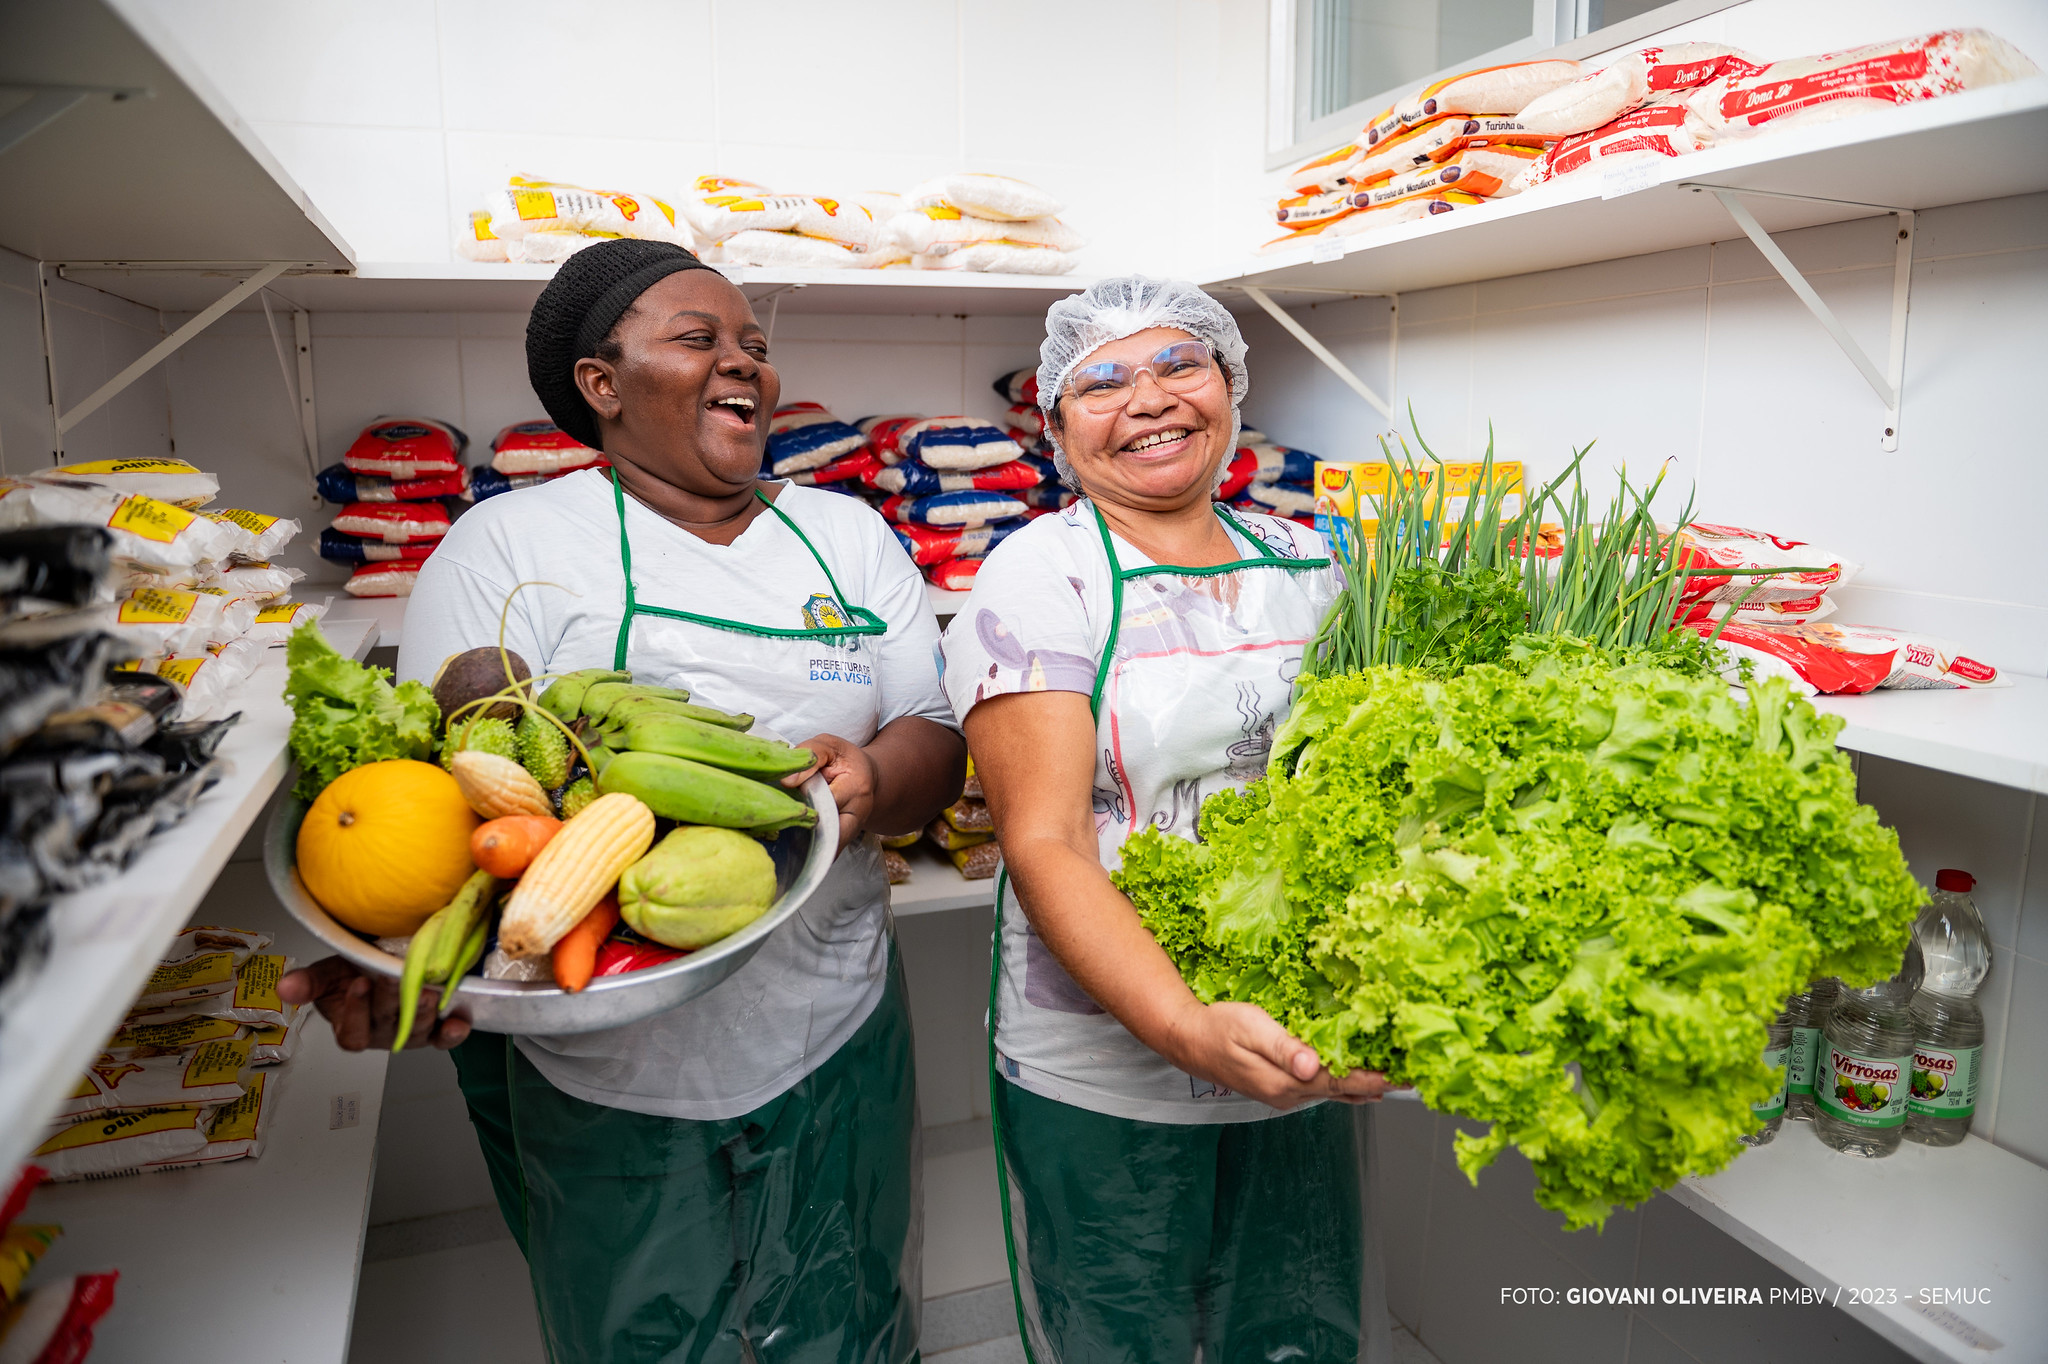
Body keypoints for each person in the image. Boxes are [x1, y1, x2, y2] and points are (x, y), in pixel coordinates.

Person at [281, 239, 965, 1362]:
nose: (742, 362)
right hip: (596, 1060)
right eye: (698, 339)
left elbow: (930, 733)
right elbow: (439, 795)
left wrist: (876, 775)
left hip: (832, 1023)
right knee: (641, 1338)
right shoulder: (510, 544)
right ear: (600, 384)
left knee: (852, 1324)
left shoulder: (843, 533)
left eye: (753, 343)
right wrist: (386, 947)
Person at [942, 276, 1392, 1362]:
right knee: (1118, 1340)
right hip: (1103, 1063)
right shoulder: (1040, 576)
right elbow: (1042, 840)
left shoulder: (1311, 560)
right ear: (1055, 426)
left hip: (1292, 1035)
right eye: (1100, 381)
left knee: (1294, 1331)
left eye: (1177, 365)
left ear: (1228, 386)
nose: (1145, 397)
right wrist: (1183, 1024)